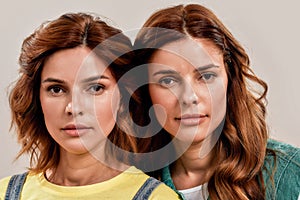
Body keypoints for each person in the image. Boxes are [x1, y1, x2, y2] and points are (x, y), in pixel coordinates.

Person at [0, 12, 180, 199]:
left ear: (122, 99)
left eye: (95, 88)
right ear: (37, 98)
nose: (73, 108)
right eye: (56, 89)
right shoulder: (6, 193)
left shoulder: (156, 197)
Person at [132, 4, 300, 200]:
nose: (189, 97)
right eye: (167, 81)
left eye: (206, 76)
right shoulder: (130, 184)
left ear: (229, 79)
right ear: (145, 90)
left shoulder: (289, 175)